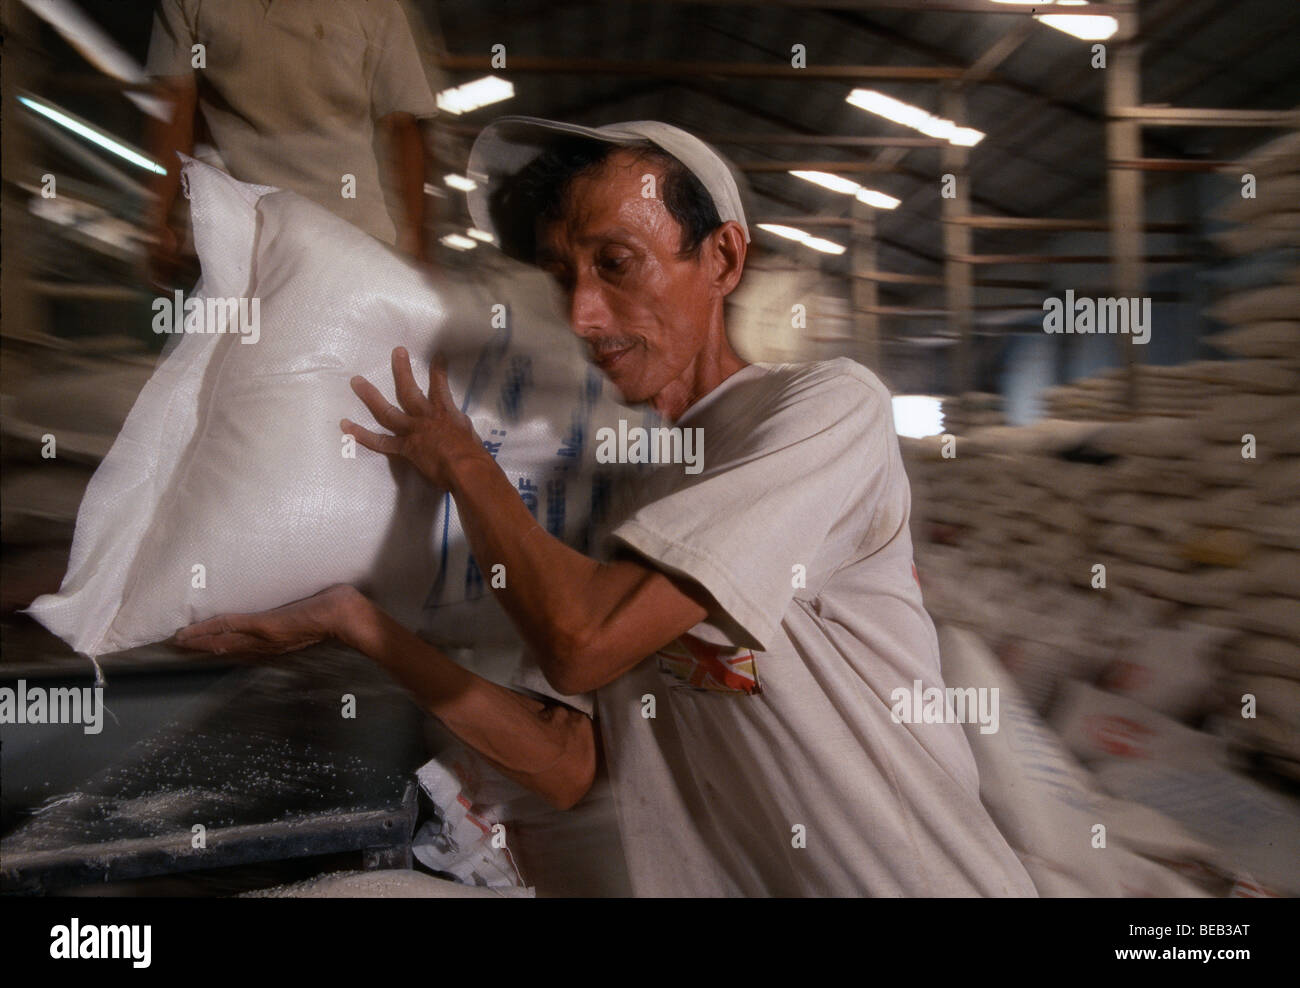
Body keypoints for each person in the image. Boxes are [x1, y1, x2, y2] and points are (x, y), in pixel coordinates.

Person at [177, 116, 1038, 897]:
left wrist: (465, 466)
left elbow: (584, 640)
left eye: (617, 264)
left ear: (725, 259)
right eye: (564, 275)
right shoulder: (622, 495)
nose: (585, 313)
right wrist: (358, 624)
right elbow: (563, 764)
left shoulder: (822, 410)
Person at [143, 0, 438, 283]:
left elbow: (403, 127)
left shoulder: (378, 7)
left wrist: (413, 239)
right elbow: (176, 106)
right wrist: (159, 218)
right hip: (245, 243)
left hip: (353, 243)